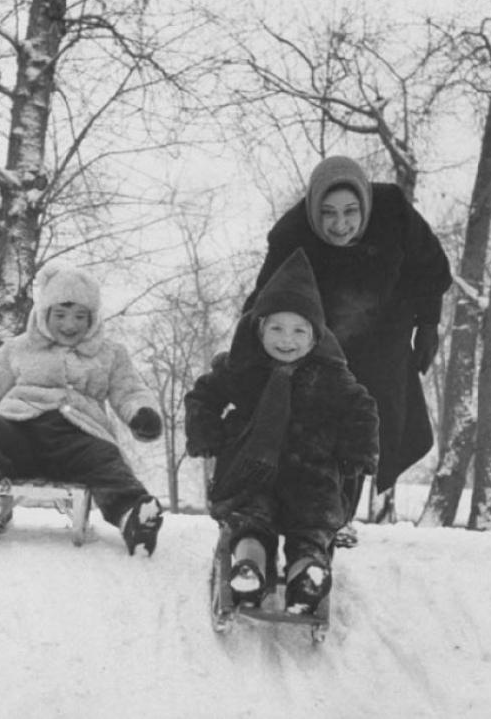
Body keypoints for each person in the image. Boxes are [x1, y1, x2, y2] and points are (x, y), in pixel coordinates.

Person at [243, 156, 451, 543]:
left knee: (366, 424)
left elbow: (431, 268)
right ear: (314, 209)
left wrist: (428, 325)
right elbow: (263, 300)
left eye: (350, 212)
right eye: (328, 214)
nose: (340, 225)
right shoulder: (292, 235)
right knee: (318, 422)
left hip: (384, 338)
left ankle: (338, 517)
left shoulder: (393, 213)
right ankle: (306, 512)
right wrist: (242, 358)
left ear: (365, 206)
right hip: (321, 344)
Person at [185, 249, 379, 613]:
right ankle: (250, 568)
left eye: (298, 330)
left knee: (311, 526)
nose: (286, 339)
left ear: (315, 335)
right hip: (249, 471)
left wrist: (358, 451)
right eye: (276, 328)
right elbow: (203, 395)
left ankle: (307, 576)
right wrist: (208, 433)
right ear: (259, 329)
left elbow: (360, 408)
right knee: (251, 519)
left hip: (311, 474)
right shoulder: (242, 367)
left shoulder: (330, 375)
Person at [0, 261, 165, 556]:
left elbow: (129, 390)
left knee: (106, 457)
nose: (69, 325)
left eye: (80, 316)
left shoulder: (110, 353)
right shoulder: (17, 348)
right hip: (19, 432)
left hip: (77, 437)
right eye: (60, 315)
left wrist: (141, 414)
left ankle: (133, 515)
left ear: (93, 319)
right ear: (43, 314)